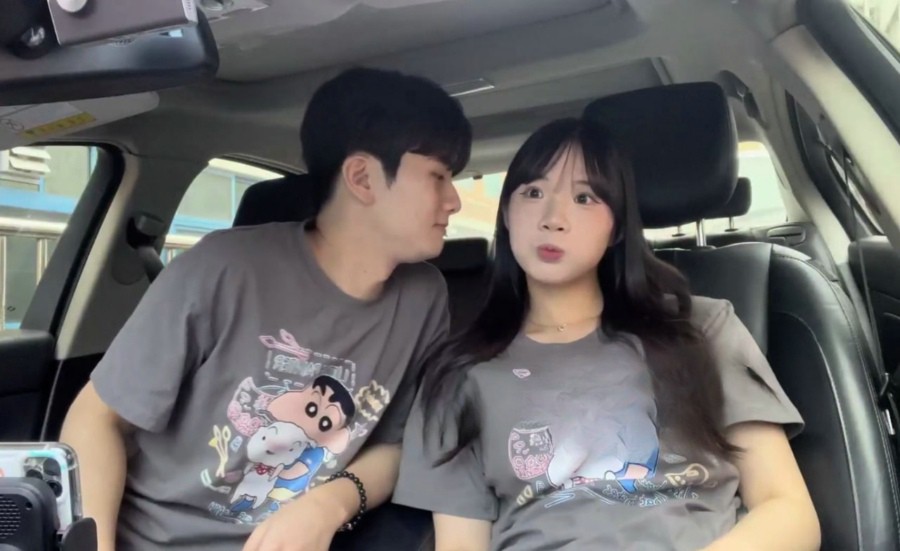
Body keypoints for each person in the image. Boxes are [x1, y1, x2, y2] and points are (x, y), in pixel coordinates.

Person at [60, 66, 471, 551]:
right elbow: (96, 419)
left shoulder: (423, 298)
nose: (454, 201)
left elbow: (401, 445)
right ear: (362, 178)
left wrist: (329, 505)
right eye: (438, 176)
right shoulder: (222, 268)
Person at [393, 117, 821, 550]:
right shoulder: (457, 376)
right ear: (506, 214)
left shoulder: (700, 330)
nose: (553, 219)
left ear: (616, 226)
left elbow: (787, 509)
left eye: (584, 197)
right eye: (533, 193)